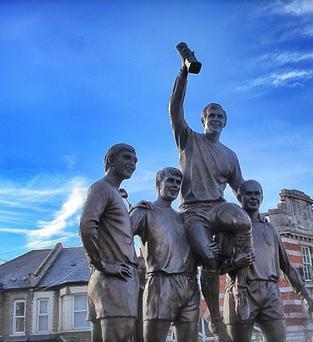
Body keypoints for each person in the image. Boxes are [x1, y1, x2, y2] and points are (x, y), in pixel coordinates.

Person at [169, 51, 253, 340]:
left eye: (220, 116)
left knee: (243, 222)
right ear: (202, 119)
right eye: (211, 115)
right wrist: (183, 73)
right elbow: (174, 109)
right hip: (193, 212)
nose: (215, 119)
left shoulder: (230, 155)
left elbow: (240, 188)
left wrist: (255, 209)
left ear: (224, 123)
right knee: (208, 257)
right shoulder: (188, 139)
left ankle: (239, 287)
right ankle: (216, 321)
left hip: (218, 208)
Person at [223, 180, 313, 342]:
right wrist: (235, 262)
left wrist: (305, 295)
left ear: (262, 197)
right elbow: (215, 267)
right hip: (241, 291)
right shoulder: (229, 228)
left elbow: (287, 266)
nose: (253, 197)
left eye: (257, 193)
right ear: (240, 197)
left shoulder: (271, 229)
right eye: (249, 194)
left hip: (270, 292)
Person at [130, 167, 201, 342]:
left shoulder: (184, 218)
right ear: (158, 184)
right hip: (161, 283)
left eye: (178, 182)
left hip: (189, 284)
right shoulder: (145, 211)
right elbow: (120, 236)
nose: (175, 185)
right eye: (170, 180)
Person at [79, 143, 139, 342]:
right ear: (111, 161)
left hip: (110, 281)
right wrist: (102, 263)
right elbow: (86, 226)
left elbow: (113, 231)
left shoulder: (114, 193)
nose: (132, 163)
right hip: (114, 281)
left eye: (135, 160)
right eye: (127, 157)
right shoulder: (101, 188)